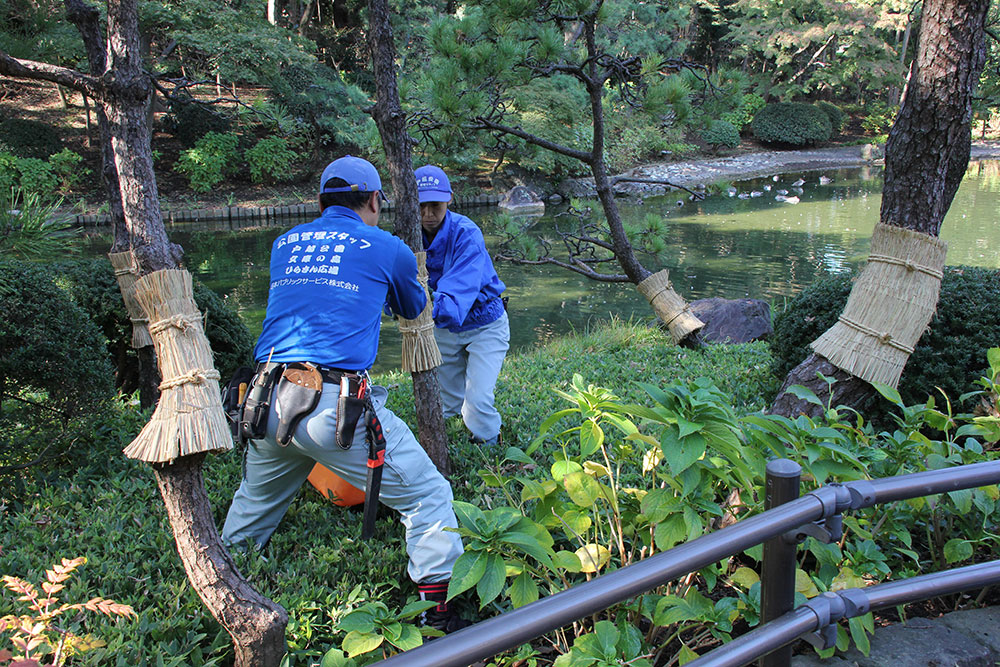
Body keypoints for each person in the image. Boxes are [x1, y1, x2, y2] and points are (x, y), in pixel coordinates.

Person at [222, 155, 467, 632]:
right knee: (428, 495)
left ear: (320, 202)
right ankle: (441, 612)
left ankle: (224, 588)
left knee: (254, 503)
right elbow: (413, 304)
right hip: (332, 410)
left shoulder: (283, 243)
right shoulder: (386, 245)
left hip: (266, 401)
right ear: (375, 200)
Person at [415, 165, 509, 447]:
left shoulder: (467, 233)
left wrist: (414, 307)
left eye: (435, 205)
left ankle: (490, 446)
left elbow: (458, 290)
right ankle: (451, 441)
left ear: (450, 199)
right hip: (443, 327)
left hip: (485, 324)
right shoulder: (408, 234)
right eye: (421, 206)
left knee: (477, 402)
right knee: (445, 403)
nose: (428, 214)